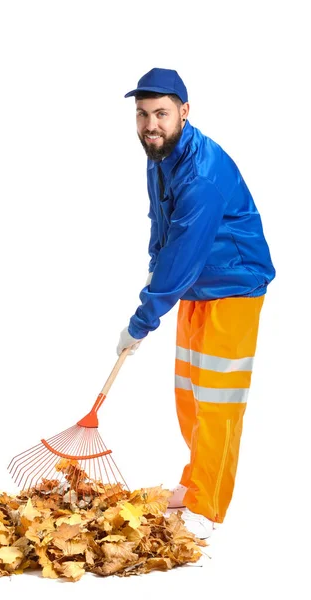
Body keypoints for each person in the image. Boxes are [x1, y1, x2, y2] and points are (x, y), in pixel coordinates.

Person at [117, 67, 276, 539]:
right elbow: (162, 221)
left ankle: (207, 505)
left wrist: (143, 317)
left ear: (184, 112)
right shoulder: (159, 154)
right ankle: (196, 482)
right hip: (196, 287)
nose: (151, 124)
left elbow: (186, 249)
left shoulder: (202, 173)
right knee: (189, 394)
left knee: (218, 400)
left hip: (233, 286)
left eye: (162, 113)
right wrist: (153, 264)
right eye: (143, 114)